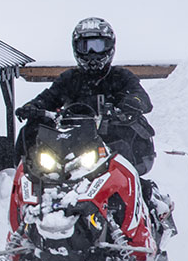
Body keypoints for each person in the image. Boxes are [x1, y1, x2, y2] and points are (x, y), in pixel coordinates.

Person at [14, 17, 176, 238]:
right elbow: (48, 98)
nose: (91, 54)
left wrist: (127, 107)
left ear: (109, 47)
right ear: (76, 48)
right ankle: (29, 229)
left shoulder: (121, 77)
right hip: (75, 147)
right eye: (85, 47)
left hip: (113, 146)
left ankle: (140, 228)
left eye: (97, 46)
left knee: (132, 178)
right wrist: (33, 108)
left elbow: (141, 99)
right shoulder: (70, 79)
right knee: (42, 167)